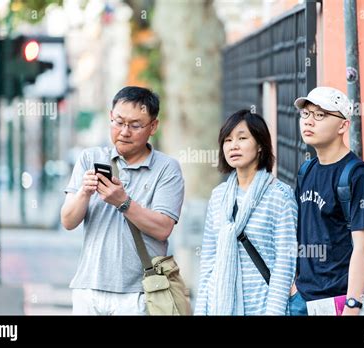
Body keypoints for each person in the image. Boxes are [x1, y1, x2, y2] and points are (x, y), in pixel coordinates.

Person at [60, 86, 185, 315]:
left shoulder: (167, 169)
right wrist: (84, 194)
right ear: (110, 117)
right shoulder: (90, 158)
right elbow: (68, 221)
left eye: (135, 125)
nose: (124, 132)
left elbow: (163, 228)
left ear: (153, 127)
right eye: (118, 122)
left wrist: (123, 202)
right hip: (88, 288)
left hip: (139, 293)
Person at [194, 109, 298, 315]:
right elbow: (208, 261)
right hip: (219, 305)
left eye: (242, 138)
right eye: (227, 140)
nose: (233, 145)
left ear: (260, 145)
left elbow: (285, 265)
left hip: (262, 306)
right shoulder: (218, 196)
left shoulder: (279, 195)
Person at [288, 86, 364, 316]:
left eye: (320, 115)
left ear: (343, 125)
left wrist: (352, 305)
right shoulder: (306, 170)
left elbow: (363, 247)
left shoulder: (358, 175)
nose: (309, 121)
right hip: (302, 299)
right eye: (305, 114)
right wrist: (294, 287)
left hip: (338, 303)